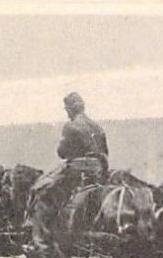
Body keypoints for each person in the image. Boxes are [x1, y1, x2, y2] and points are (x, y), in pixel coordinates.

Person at [27, 93, 110, 247]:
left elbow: (62, 152)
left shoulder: (71, 126)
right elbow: (105, 151)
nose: (67, 113)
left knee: (41, 190)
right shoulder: (97, 126)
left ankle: (40, 238)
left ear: (71, 109)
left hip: (78, 170)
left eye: (67, 109)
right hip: (98, 169)